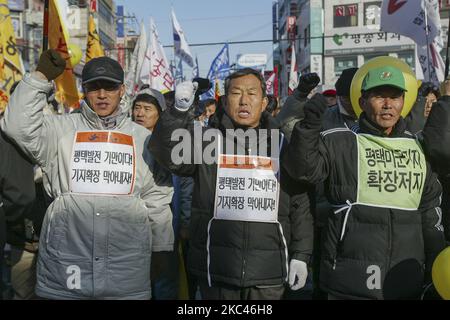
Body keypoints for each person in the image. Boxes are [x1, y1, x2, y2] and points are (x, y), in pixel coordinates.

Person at [1, 50, 174, 300]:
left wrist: (161, 247)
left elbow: (157, 199)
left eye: (110, 87)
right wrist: (39, 78)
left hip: (126, 269)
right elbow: (15, 125)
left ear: (122, 90)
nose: (102, 95)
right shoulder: (59, 130)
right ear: (84, 89)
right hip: (65, 265)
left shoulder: (143, 139)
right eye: (94, 87)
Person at [149, 68, 313, 300]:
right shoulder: (207, 142)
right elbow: (165, 154)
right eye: (236, 93)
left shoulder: (282, 144)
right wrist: (178, 112)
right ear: (224, 101)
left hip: (269, 272)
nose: (244, 101)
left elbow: (300, 202)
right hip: (215, 269)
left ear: (264, 101)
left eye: (252, 93)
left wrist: (302, 254)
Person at [285, 65, 446, 299]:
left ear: (404, 101)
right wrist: (308, 128)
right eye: (380, 96)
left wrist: (435, 265)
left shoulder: (418, 148)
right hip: (347, 282)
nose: (388, 104)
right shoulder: (339, 141)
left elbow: (430, 211)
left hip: (405, 280)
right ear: (362, 102)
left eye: (395, 97)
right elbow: (302, 171)